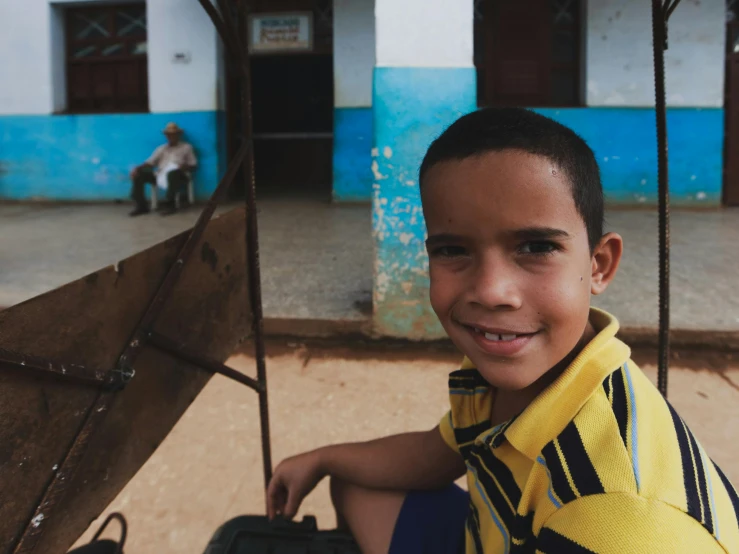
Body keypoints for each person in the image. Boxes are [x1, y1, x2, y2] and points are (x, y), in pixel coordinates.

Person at [266, 108, 739, 553]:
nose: (491, 291)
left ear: (598, 265)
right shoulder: (500, 373)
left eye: (535, 246)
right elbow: (439, 453)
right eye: (452, 250)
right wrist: (321, 457)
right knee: (356, 482)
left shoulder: (620, 518)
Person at [129, 122, 197, 217]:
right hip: (160, 174)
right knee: (139, 173)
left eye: (173, 134)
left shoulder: (186, 147)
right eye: (169, 135)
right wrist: (137, 168)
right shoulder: (161, 148)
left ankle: (170, 205)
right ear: (166, 136)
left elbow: (193, 164)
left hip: (179, 174)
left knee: (172, 174)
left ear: (178, 135)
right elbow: (150, 162)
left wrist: (183, 166)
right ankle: (141, 206)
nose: (171, 136)